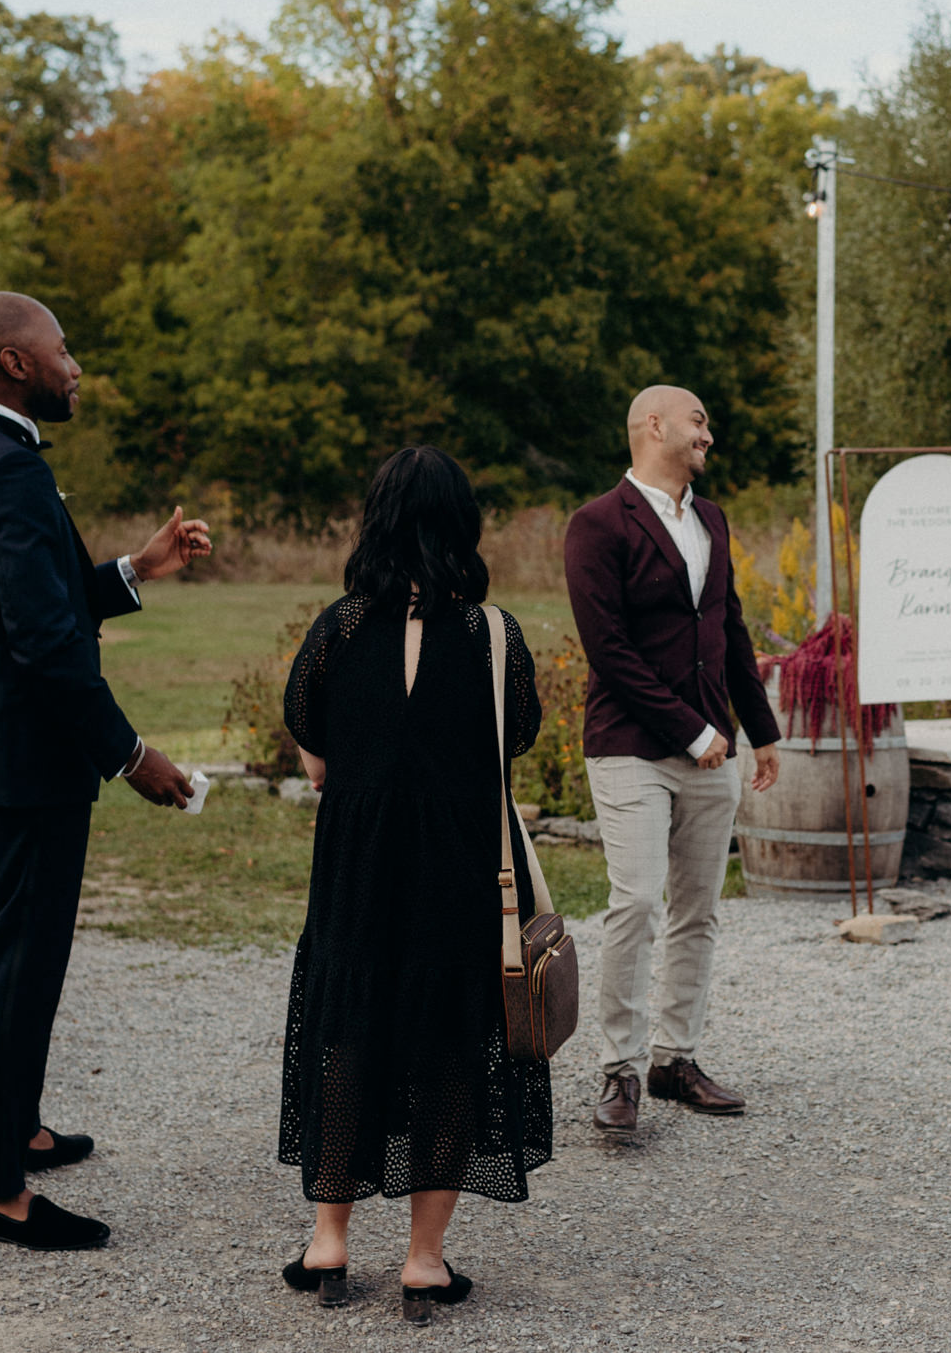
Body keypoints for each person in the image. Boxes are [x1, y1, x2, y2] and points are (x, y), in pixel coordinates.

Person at [0, 290, 211, 1251]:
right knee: (19, 968)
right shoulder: (6, 472)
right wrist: (131, 756)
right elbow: (42, 644)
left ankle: (18, 1126)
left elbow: (36, 601)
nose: (75, 365)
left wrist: (139, 567)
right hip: (29, 763)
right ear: (15, 363)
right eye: (62, 350)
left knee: (12, 956)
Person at [277, 446, 549, 1325]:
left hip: (357, 866)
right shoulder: (494, 635)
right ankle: (425, 1261)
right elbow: (513, 742)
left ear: (377, 519)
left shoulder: (336, 629)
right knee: (448, 1039)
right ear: (462, 525)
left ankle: (329, 1242)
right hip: (458, 862)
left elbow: (315, 757)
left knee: (346, 1029)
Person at [563, 384, 782, 1133]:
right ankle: (619, 1070)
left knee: (699, 909)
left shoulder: (711, 519)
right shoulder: (596, 525)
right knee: (637, 901)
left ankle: (674, 1059)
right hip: (632, 746)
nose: (708, 436)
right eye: (698, 422)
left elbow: (730, 629)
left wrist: (762, 727)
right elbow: (609, 652)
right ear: (652, 425)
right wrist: (694, 732)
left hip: (714, 748)